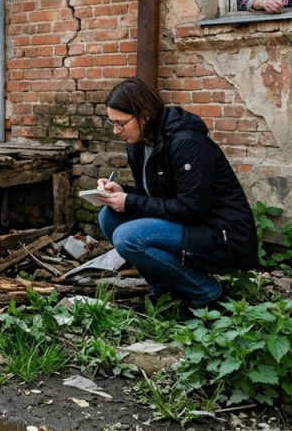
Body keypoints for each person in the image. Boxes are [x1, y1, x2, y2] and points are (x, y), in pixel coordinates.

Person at [95, 78, 257, 311]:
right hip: (188, 225)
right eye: (112, 122)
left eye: (120, 123)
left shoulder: (186, 142)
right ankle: (166, 294)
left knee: (127, 237)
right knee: (108, 217)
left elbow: (192, 208)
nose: (115, 131)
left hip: (222, 234)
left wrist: (130, 202)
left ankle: (208, 293)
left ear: (143, 116)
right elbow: (153, 195)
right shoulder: (139, 143)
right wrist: (123, 192)